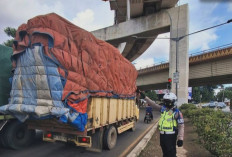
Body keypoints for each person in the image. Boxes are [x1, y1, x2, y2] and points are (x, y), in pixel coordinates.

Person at [139, 91, 184, 157]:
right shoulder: (163, 109)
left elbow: (181, 126)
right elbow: (153, 104)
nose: (166, 103)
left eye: (168, 101)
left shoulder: (176, 112)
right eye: (165, 101)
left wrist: (180, 139)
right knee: (165, 153)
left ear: (173, 101)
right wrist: (145, 97)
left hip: (171, 136)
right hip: (162, 135)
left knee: (171, 154)